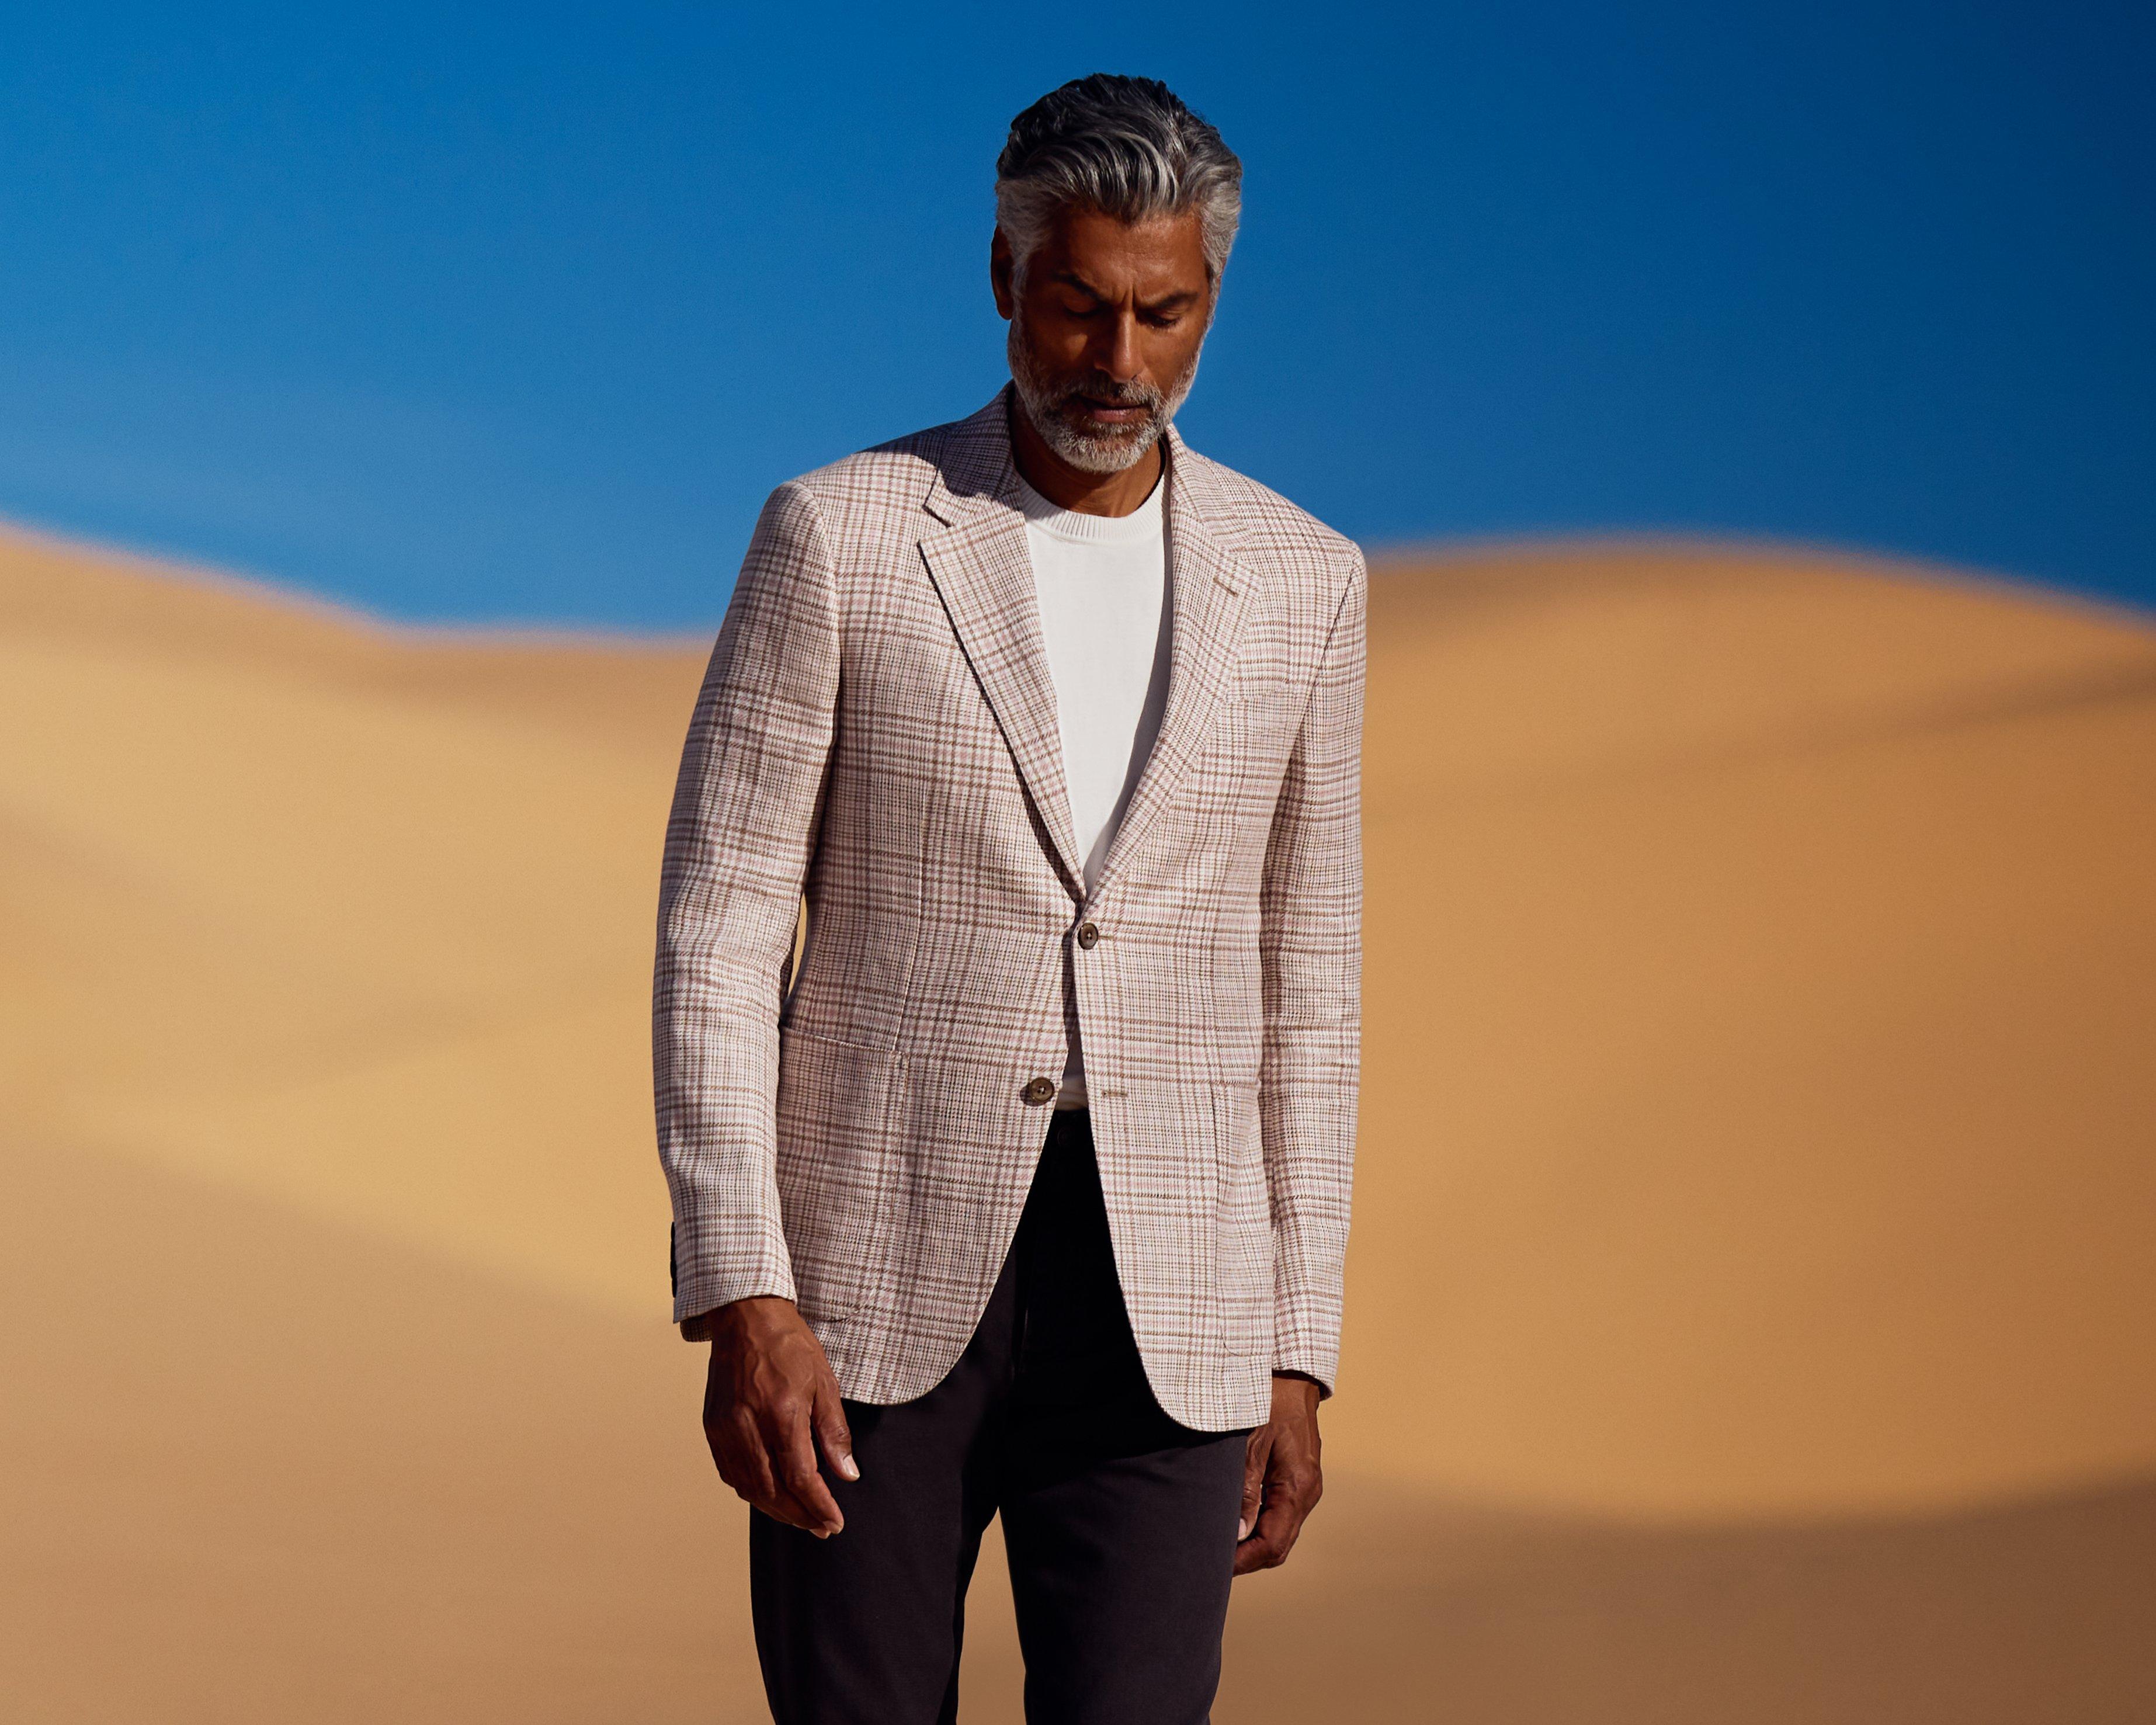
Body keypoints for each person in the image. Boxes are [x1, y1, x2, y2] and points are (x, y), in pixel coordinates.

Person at [654, 72, 1365, 1725]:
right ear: (1003, 277)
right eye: (1078, 305)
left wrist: (1296, 1343)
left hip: (1172, 1313)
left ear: (1208, 302)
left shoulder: (1307, 583)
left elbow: (1308, 986)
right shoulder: (841, 533)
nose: (1117, 361)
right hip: (868, 1291)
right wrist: (740, 1286)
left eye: (1163, 312)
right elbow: (719, 930)